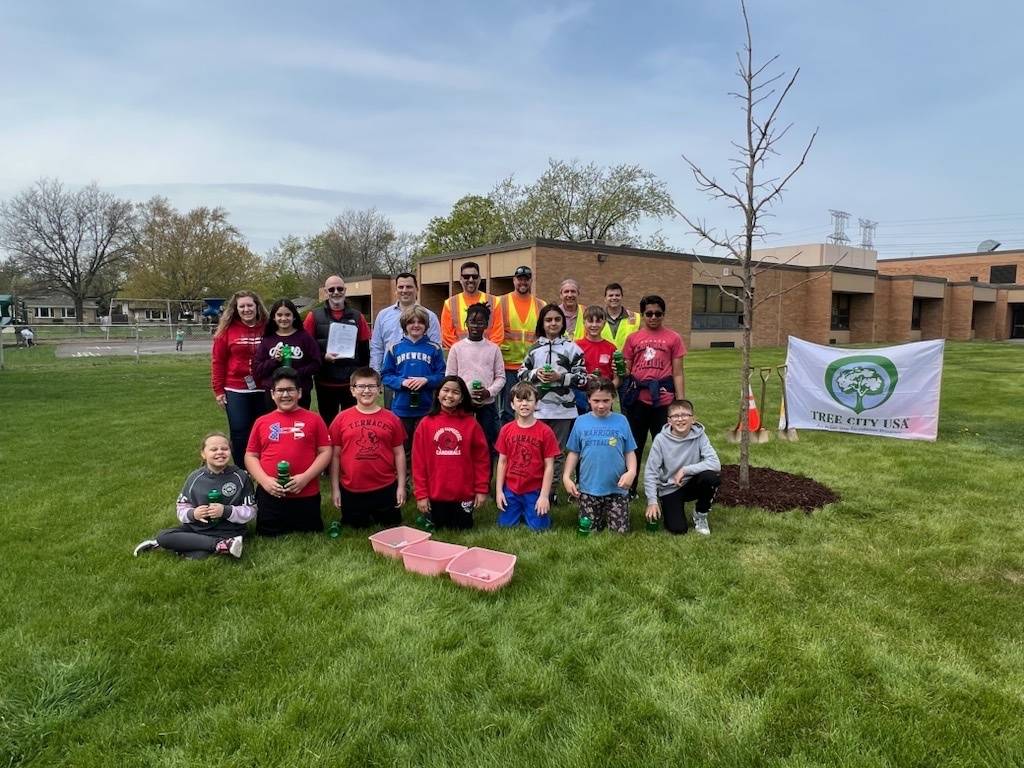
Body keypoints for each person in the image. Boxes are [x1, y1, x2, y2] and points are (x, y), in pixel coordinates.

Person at [133, 432, 255, 559]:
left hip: (228, 531)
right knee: (163, 535)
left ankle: (180, 545)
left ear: (230, 452)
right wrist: (193, 514)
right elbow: (182, 507)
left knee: (201, 555)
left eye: (225, 449)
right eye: (213, 449)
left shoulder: (240, 477)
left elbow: (251, 511)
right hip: (198, 528)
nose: (220, 452)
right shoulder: (195, 477)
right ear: (203, 454)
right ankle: (220, 545)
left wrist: (226, 511)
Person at [244, 368, 332, 536]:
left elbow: (326, 451)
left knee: (310, 532)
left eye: (290, 390)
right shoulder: (262, 422)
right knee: (267, 534)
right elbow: (251, 455)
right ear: (272, 394)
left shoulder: (314, 419)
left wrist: (305, 478)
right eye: (280, 390)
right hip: (271, 493)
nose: (285, 395)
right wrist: (265, 481)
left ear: (299, 393)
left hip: (305, 491)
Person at [518, 304, 587, 505]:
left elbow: (582, 379)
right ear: (542, 323)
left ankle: (551, 491)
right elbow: (521, 373)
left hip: (562, 410)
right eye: (549, 320)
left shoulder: (572, 348)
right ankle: (534, 488)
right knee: (534, 451)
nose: (553, 323)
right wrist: (534, 374)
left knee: (556, 452)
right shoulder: (534, 348)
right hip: (536, 409)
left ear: (563, 323)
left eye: (557, 319)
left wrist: (560, 377)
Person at [622, 294, 686, 498]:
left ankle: (664, 487)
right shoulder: (633, 338)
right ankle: (630, 488)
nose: (653, 317)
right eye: (649, 313)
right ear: (642, 315)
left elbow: (677, 372)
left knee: (665, 445)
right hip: (638, 400)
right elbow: (626, 371)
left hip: (664, 400)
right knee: (635, 445)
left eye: (658, 313)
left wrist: (681, 404)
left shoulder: (673, 338)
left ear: (663, 314)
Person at [329, 368, 407, 529]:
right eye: (361, 386)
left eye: (371, 386)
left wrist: (400, 486)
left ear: (379, 389)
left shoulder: (392, 419)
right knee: (354, 526)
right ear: (352, 390)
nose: (366, 391)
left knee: (391, 525)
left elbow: (399, 453)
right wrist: (335, 489)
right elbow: (335, 456)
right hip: (352, 488)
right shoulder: (341, 419)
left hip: (385, 486)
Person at [411, 376, 490, 530]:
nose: (449, 395)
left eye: (455, 392)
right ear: (437, 394)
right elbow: (418, 462)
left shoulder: (471, 424)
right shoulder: (426, 424)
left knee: (462, 528)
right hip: (435, 493)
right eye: (445, 390)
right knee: (439, 527)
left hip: (463, 493)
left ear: (461, 398)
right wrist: (421, 494)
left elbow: (482, 460)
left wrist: (481, 489)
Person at [563, 379, 638, 534]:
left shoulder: (621, 421)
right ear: (588, 399)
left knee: (619, 533)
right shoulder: (580, 422)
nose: (601, 405)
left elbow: (629, 451)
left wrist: (631, 472)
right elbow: (574, 452)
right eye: (596, 401)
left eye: (606, 400)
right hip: (589, 489)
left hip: (617, 488)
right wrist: (566, 477)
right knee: (588, 530)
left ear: (613, 399)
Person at [381, 306, 446, 473]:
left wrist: (426, 380)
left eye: (420, 322)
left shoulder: (434, 349)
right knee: (403, 447)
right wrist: (401, 382)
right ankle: (404, 480)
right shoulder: (394, 348)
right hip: (402, 408)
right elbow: (386, 375)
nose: (416, 325)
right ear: (404, 325)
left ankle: (424, 481)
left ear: (426, 325)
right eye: (411, 322)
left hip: (426, 406)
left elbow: (442, 375)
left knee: (425, 446)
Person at [644, 399, 721, 536]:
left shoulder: (700, 435)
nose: (680, 419)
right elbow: (651, 472)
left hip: (692, 483)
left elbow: (715, 463)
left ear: (693, 419)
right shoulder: (660, 440)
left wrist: (685, 470)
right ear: (669, 421)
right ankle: (668, 504)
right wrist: (652, 501)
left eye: (685, 415)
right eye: (675, 416)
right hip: (670, 487)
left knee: (711, 477)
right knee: (677, 529)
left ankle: (701, 514)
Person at [211, 290, 270, 468]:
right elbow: (218, 361)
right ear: (236, 309)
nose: (246, 309)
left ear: (257, 306)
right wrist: (218, 390)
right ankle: (242, 469)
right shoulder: (228, 330)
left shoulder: (268, 327)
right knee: (239, 430)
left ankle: (263, 464)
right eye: (242, 306)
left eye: (250, 305)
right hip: (236, 388)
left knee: (263, 429)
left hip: (264, 387)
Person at [303, 275, 372, 426]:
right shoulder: (313, 316)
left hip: (351, 383)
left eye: (339, 289)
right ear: (326, 292)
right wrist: (322, 357)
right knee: (329, 424)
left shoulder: (357, 316)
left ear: (345, 291)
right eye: (331, 289)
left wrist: (363, 378)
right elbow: (306, 348)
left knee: (352, 424)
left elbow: (364, 351)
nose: (336, 292)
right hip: (325, 382)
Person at [369, 272, 441, 407]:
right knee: (394, 420)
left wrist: (430, 379)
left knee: (424, 422)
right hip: (393, 379)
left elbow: (436, 347)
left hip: (422, 380)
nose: (404, 291)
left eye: (409, 287)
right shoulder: (383, 315)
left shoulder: (430, 316)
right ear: (396, 290)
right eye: (401, 287)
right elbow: (377, 347)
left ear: (416, 289)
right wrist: (375, 375)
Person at [495, 382, 560, 530]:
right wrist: (499, 492)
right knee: (505, 526)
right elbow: (502, 462)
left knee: (540, 529)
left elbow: (550, 466)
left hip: (534, 489)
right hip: (511, 489)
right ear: (512, 405)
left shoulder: (545, 431)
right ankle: (520, 510)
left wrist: (544, 496)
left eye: (529, 400)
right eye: (519, 400)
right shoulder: (506, 430)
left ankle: (529, 510)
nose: (524, 404)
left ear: (536, 403)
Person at [445, 303, 505, 464]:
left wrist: (489, 392)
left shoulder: (493, 349)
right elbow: (450, 377)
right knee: (462, 439)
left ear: (487, 324)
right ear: (466, 323)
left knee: (485, 441)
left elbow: (501, 377)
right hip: (463, 403)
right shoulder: (457, 348)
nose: (476, 326)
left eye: (480, 322)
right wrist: (463, 395)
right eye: (472, 322)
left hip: (487, 404)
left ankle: (484, 481)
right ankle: (463, 477)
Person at [495, 265, 545, 424]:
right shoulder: (500, 302)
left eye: (526, 279)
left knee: (532, 406)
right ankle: (507, 441)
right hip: (507, 365)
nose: (522, 282)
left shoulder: (541, 305)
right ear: (514, 280)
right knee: (507, 410)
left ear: (531, 281)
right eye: (519, 279)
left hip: (531, 366)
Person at [254, 298, 321, 411]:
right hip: (274, 393)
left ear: (294, 316)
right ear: (274, 317)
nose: (283, 318)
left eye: (287, 315)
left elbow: (316, 364)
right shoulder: (267, 340)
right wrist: (274, 360)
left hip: (300, 391)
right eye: (279, 315)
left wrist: (295, 373)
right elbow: (258, 369)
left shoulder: (305, 338)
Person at [439, 261, 501, 350]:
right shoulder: (449, 304)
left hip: (486, 357)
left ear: (479, 279)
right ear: (460, 279)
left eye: (474, 277)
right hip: (461, 358)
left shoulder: (494, 301)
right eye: (466, 277)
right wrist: (464, 353)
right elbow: (447, 336)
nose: (471, 280)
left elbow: (498, 334)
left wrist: (486, 352)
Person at [574, 305, 620, 413]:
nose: (594, 325)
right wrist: (583, 378)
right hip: (581, 398)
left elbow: (617, 378)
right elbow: (570, 375)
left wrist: (606, 389)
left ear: (604, 323)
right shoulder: (575, 346)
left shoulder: (611, 348)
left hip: (603, 400)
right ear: (584, 323)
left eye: (598, 321)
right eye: (590, 321)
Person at [602, 283, 642, 349]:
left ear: (622, 297)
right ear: (605, 298)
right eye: (611, 295)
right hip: (603, 358)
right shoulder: (599, 317)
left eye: (617, 295)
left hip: (628, 358)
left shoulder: (635, 317)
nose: (614, 298)